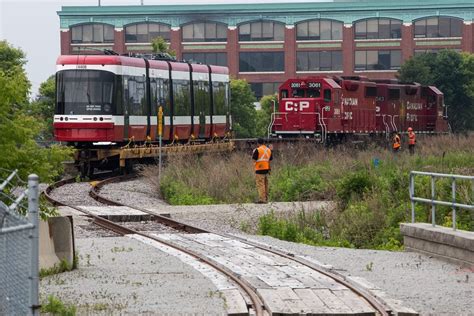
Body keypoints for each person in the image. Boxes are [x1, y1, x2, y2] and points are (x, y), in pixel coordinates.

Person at [252, 138, 272, 204]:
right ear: (264, 143)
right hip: (266, 169)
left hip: (259, 169)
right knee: (266, 184)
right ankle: (266, 198)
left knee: (260, 184)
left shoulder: (257, 150)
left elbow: (254, 160)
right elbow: (270, 160)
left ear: (258, 143)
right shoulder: (268, 150)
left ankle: (262, 199)